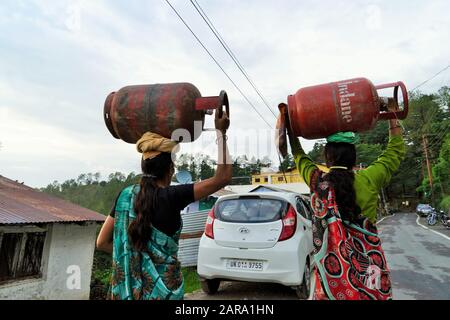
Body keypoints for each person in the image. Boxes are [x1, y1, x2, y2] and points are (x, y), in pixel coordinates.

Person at [96, 110, 232, 300]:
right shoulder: (173, 196)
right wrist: (221, 133)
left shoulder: (124, 196)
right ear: (170, 170)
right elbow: (223, 177)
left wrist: (133, 256)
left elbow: (102, 242)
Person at [285, 102, 405, 300]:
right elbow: (395, 151)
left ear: (327, 157)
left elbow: (299, 155)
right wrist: (392, 114)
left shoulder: (317, 182)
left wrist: (289, 128)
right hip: (368, 275)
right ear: (354, 158)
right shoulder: (370, 178)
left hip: (333, 279)